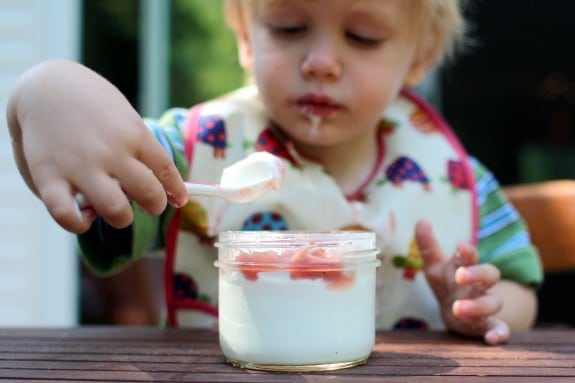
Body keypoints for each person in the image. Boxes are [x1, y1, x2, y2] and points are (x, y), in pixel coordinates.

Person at [7, 0, 542, 345]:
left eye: (363, 38)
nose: (321, 61)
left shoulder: (455, 178)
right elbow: (102, 179)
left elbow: (519, 287)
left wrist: (472, 306)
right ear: (245, 35)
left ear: (419, 55)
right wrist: (45, 93)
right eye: (288, 28)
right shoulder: (192, 154)